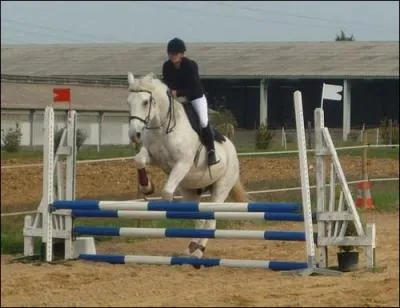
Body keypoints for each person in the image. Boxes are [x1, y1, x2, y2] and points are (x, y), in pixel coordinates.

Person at [162, 37, 220, 166]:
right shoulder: (167, 66)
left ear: (182, 54)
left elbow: (193, 86)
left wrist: (178, 92)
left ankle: (211, 151)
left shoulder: (190, 65)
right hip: (176, 98)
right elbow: (166, 82)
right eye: (170, 53)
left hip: (195, 97)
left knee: (203, 121)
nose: (173, 56)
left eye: (175, 53)